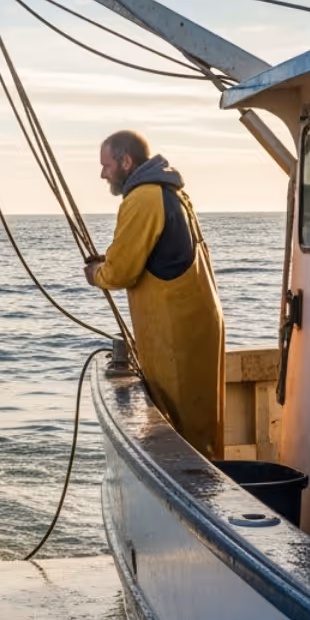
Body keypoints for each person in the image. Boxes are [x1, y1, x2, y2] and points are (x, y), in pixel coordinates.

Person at [84, 131, 224, 458]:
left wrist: (96, 274)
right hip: (196, 323)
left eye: (106, 165)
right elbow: (152, 254)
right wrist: (108, 262)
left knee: (187, 433)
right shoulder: (170, 193)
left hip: (178, 332)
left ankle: (202, 494)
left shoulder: (143, 198)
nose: (103, 173)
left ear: (126, 161)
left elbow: (121, 273)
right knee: (201, 424)